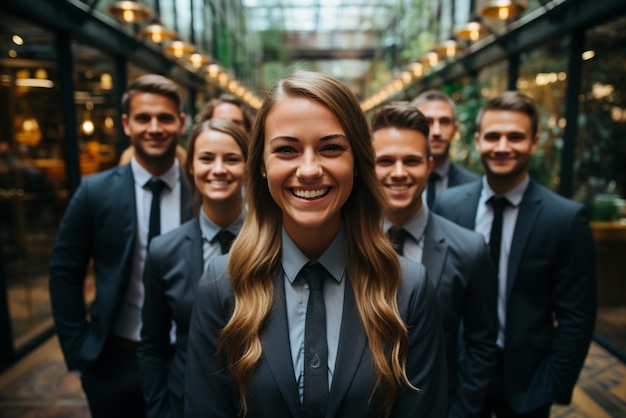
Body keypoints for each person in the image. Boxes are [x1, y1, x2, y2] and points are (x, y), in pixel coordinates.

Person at [184, 70, 448, 418]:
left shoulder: (407, 288)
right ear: (262, 165)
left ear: (356, 163)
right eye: (287, 150)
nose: (308, 169)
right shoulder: (222, 286)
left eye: (331, 148)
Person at [432, 91, 596, 418]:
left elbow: (577, 313)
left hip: (528, 379)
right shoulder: (449, 206)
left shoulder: (564, 218)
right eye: (493, 136)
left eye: (515, 137)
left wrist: (554, 384)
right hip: (458, 370)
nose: (503, 146)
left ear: (534, 143)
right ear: (478, 141)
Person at [49, 74, 194, 418]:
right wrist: (79, 355)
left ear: (181, 123)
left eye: (165, 118)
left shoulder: (201, 191)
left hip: (186, 360)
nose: (154, 128)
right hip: (114, 360)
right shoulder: (94, 192)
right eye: (143, 118)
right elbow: (64, 273)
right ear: (127, 124)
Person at [371, 101, 498, 418]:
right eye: (385, 161)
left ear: (429, 165)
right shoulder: (342, 243)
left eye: (411, 161)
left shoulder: (469, 249)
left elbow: (481, 345)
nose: (398, 173)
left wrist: (462, 412)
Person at [138, 119, 248, 418]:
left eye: (232, 159)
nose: (219, 169)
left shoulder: (277, 240)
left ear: (250, 167)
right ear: (190, 168)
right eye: (206, 158)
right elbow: (152, 345)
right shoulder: (165, 251)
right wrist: (160, 410)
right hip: (186, 400)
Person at [411, 90, 480, 207]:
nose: (436, 131)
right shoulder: (395, 182)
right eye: (427, 122)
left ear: (455, 129)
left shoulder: (475, 187)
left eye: (444, 122)